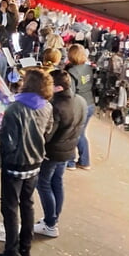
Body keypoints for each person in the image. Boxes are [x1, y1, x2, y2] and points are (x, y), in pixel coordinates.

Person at [0, 67, 54, 256]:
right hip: (35, 164)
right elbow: (48, 130)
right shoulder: (47, 106)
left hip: (15, 165)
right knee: (28, 204)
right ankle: (25, 249)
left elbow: (8, 143)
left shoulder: (15, 109)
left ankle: (10, 255)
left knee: (10, 209)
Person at [35, 69, 87, 238]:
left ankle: (50, 224)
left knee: (43, 184)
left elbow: (48, 134)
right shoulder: (80, 101)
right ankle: (53, 219)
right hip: (68, 150)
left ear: (57, 88)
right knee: (57, 182)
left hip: (53, 152)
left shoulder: (55, 106)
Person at [65, 43, 96, 170]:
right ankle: (84, 161)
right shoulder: (89, 68)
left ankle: (71, 162)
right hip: (90, 104)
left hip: (78, 104)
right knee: (80, 132)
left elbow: (70, 92)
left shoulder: (72, 72)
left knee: (72, 133)